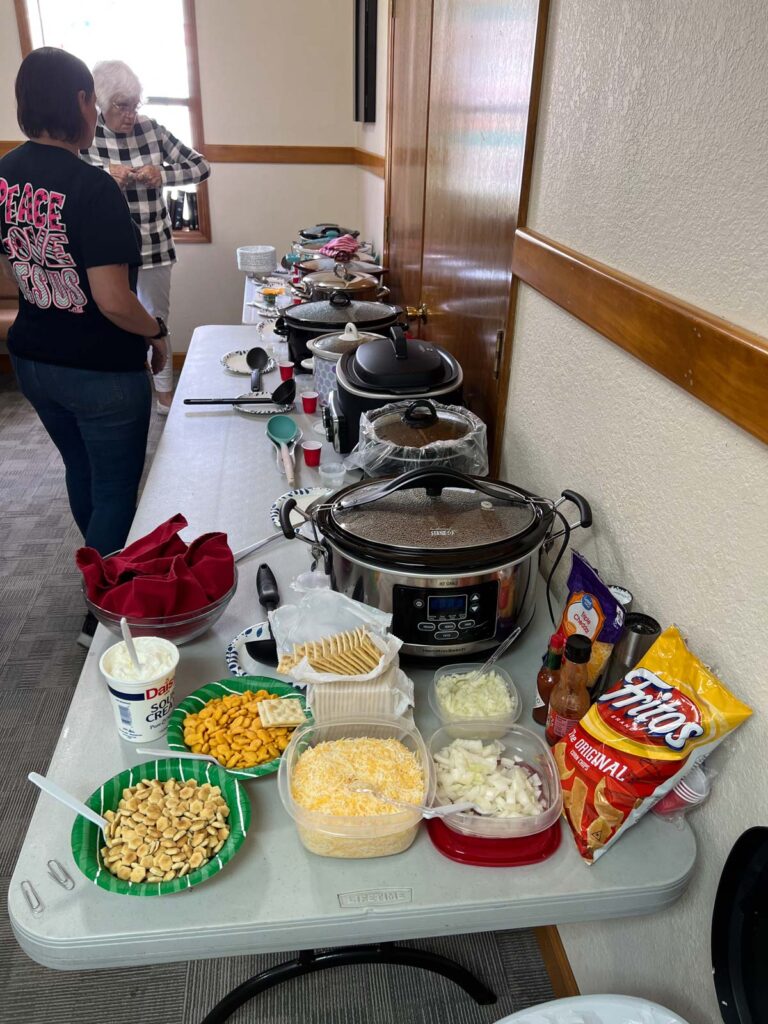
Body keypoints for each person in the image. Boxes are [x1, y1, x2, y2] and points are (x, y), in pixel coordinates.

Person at [0, 47, 168, 646]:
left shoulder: (5, 174)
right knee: (116, 487)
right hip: (99, 371)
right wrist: (157, 333)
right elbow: (115, 300)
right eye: (94, 101)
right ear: (79, 101)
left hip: (32, 359)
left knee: (83, 469)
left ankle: (102, 565)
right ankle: (101, 613)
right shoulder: (92, 187)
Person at [82, 60, 211, 414]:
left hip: (153, 244)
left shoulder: (151, 129)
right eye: (121, 105)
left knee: (156, 319)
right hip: (104, 251)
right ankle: (125, 390)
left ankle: (164, 394)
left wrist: (163, 174)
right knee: (113, 319)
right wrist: (105, 174)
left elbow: (201, 166)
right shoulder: (87, 133)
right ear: (100, 103)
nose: (130, 114)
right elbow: (71, 178)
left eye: (135, 104)